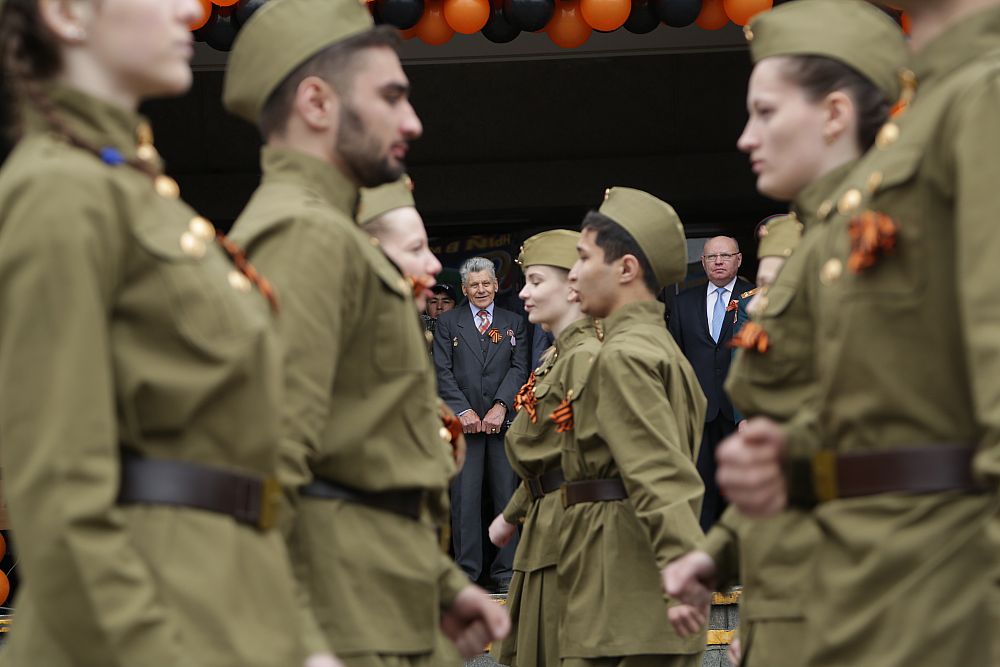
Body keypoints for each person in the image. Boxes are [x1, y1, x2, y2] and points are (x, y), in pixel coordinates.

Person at [0, 0, 318, 665]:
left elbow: (235, 467)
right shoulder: (59, 191)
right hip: (146, 622)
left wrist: (298, 640)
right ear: (65, 14)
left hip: (226, 604)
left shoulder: (134, 190)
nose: (187, 8)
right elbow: (58, 491)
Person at [714, 1, 1000, 666]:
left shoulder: (981, 93)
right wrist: (791, 450)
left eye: (765, 112)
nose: (746, 138)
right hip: (877, 575)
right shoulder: (922, 121)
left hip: (948, 578)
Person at [223, 0, 509, 664]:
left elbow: (360, 451)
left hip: (379, 600)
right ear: (317, 103)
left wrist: (440, 584)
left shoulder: (327, 231)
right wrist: (299, 637)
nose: (412, 121)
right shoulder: (303, 233)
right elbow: (261, 456)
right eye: (389, 96)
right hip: (340, 617)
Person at [665, 8, 910, 665]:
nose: (746, 138)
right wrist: (718, 554)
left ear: (833, 115)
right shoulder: (822, 246)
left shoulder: (899, 228)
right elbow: (821, 431)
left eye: (765, 113)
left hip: (905, 584)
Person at [561, 187, 707, 667]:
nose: (574, 273)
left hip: (623, 585)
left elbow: (660, 472)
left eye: (583, 258)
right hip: (631, 585)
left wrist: (686, 569)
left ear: (626, 268)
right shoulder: (657, 345)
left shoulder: (625, 354)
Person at [487, 229, 601, 667]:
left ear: (573, 286)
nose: (525, 295)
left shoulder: (584, 357)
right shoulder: (556, 356)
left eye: (536, 282)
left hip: (569, 526)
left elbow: (592, 459)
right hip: (544, 522)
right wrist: (512, 515)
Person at [434, 256, 529, 591]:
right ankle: (467, 575)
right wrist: (464, 411)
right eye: (473, 285)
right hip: (466, 427)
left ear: (496, 285)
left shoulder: (513, 321)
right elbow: (441, 372)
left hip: (502, 425)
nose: (480, 289)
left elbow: (520, 369)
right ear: (464, 289)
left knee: (507, 497)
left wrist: (501, 406)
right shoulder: (448, 323)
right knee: (465, 500)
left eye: (486, 283)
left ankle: (507, 574)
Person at [668, 236, 754, 531]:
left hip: (740, 412)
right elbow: (675, 359)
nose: (718, 261)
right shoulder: (682, 302)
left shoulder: (754, 298)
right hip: (699, 412)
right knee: (700, 489)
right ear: (702, 263)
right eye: (711, 257)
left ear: (739, 260)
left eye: (725, 256)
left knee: (742, 489)